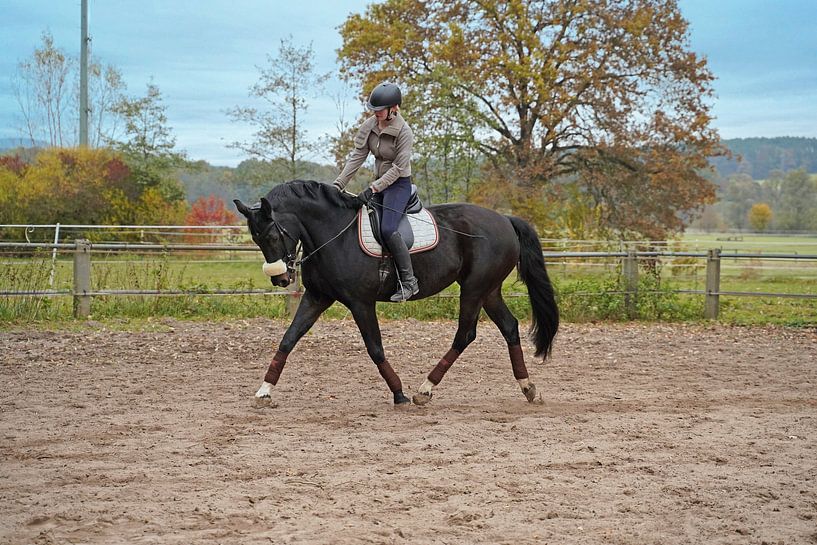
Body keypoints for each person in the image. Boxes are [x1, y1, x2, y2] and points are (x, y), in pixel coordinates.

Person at [332, 82, 419, 302]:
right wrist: (338, 184)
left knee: (388, 228)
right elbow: (357, 156)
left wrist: (374, 188)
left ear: (394, 108)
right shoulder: (369, 125)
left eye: (380, 109)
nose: (375, 113)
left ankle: (410, 282)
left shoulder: (405, 132)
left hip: (398, 184)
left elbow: (399, 168)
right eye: (374, 109)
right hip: (379, 182)